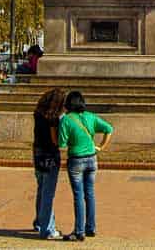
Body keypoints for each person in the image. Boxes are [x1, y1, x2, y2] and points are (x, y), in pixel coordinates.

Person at [58, 91, 114, 241]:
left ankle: (79, 231)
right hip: (92, 159)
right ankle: (91, 227)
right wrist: (101, 147)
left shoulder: (66, 120)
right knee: (89, 193)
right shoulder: (90, 116)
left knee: (78, 195)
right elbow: (109, 129)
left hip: (76, 160)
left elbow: (62, 144)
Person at [32, 88, 67, 240]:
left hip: (38, 151)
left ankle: (40, 221)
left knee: (41, 188)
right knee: (48, 192)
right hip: (50, 154)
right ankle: (48, 229)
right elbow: (55, 140)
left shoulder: (38, 113)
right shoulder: (53, 118)